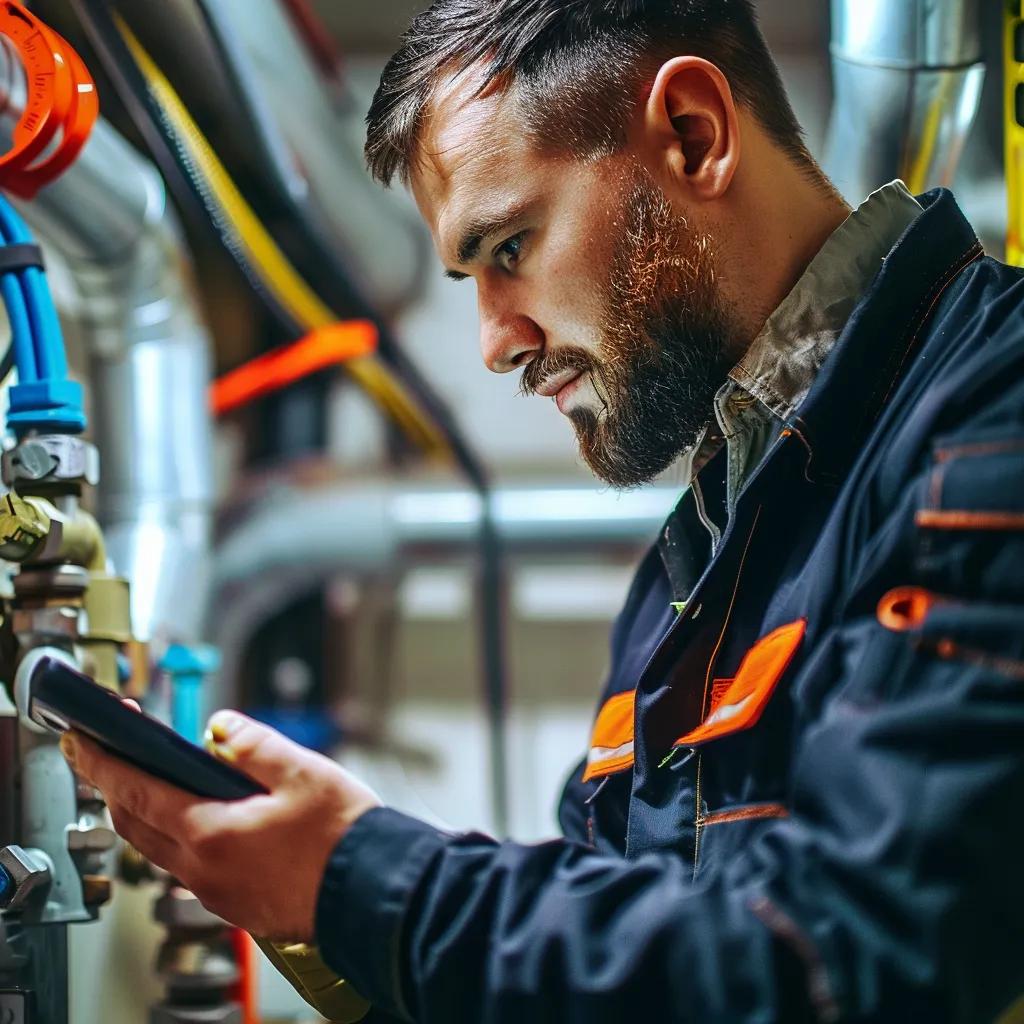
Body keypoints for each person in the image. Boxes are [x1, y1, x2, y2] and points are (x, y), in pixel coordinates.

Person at [62, 1, 1024, 1021]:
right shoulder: (688, 571)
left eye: (509, 246)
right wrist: (323, 897)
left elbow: (855, 960)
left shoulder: (992, 407)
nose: (494, 341)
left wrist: (367, 881)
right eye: (469, 278)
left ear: (693, 134)